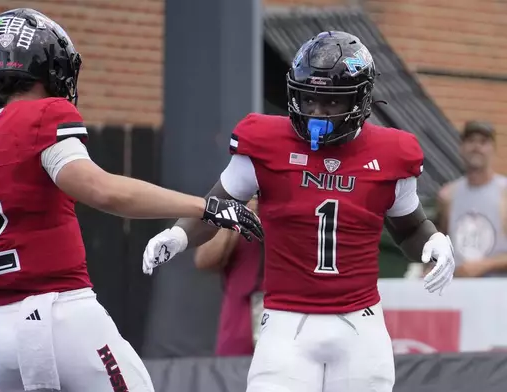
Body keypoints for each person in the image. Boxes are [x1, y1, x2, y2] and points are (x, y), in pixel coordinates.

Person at [0, 8, 262, 392]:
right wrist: (204, 206)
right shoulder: (41, 119)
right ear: (48, 67)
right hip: (62, 320)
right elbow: (102, 190)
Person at [142, 31, 455, 392]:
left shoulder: (391, 153)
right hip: (285, 324)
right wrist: (178, 235)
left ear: (360, 99)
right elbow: (216, 208)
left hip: (360, 325)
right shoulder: (265, 143)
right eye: (308, 99)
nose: (316, 113)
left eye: (331, 103)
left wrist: (434, 241)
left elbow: (410, 228)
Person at [194, 196, 264, 356]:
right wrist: (236, 216)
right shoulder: (237, 193)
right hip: (240, 322)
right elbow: (203, 260)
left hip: (290, 319)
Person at [436, 120, 507, 277]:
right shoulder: (448, 195)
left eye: (483, 142)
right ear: (461, 148)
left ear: (493, 149)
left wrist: (485, 265)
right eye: (471, 141)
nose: (476, 147)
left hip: (499, 293)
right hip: (459, 292)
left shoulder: (504, 192)